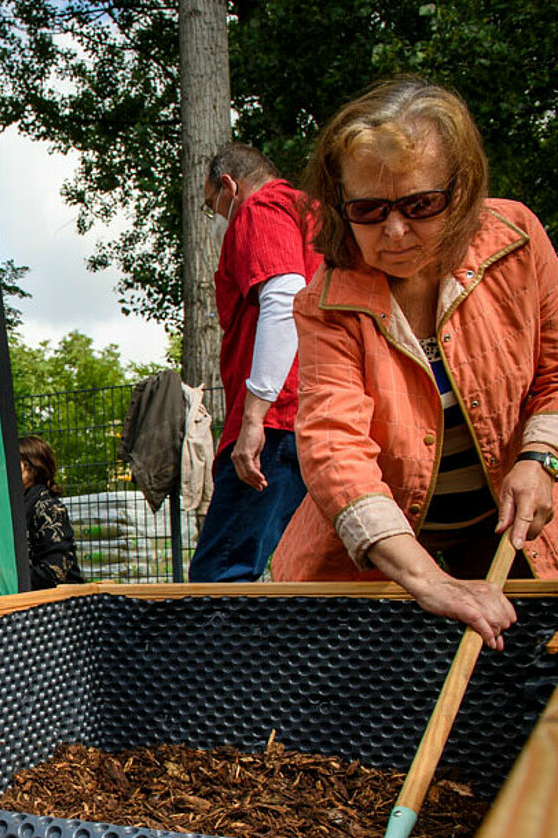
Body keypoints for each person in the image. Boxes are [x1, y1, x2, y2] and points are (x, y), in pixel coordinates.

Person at [271, 78, 558, 651]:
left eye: (421, 205)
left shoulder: (519, 241)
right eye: (369, 210)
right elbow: (335, 447)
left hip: (511, 539)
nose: (395, 231)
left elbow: (555, 372)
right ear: (339, 206)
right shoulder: (324, 302)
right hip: (378, 568)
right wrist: (426, 578)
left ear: (463, 188)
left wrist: (542, 457)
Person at [187, 145, 323, 582]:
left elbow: (284, 298)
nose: (221, 218)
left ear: (229, 185)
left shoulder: (259, 208)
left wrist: (253, 419)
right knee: (303, 573)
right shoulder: (316, 216)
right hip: (325, 415)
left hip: (279, 421)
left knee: (218, 577)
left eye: (214, 207)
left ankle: (210, 653)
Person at [18, 435, 84, 588]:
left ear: (30, 467)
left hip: (59, 602)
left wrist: (8, 579)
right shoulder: (22, 505)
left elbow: (55, 571)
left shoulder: (47, 507)